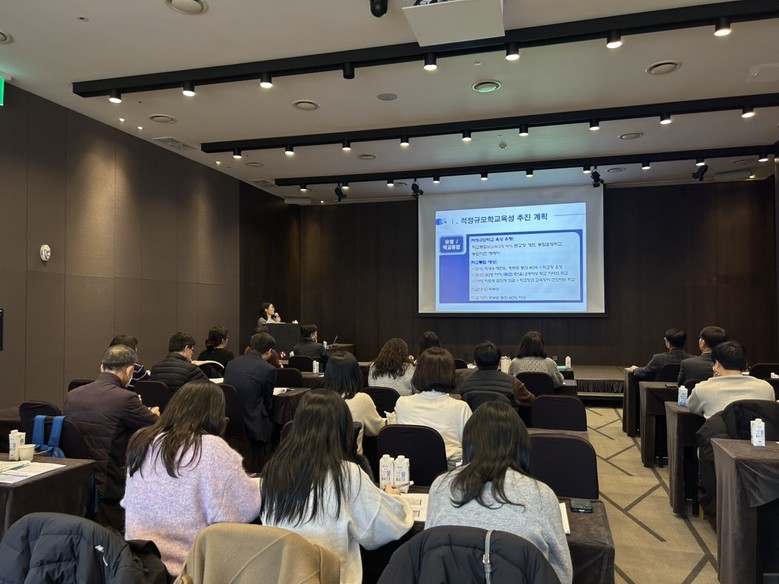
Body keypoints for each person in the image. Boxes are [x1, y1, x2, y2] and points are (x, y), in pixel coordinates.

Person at [261, 390, 413, 584]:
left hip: (283, 576)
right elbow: (381, 527)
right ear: (343, 429)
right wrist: (395, 498)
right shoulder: (346, 474)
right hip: (332, 577)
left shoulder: (273, 471)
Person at [122, 380, 261, 577]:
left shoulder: (142, 439)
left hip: (139, 562)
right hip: (189, 569)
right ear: (216, 415)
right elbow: (245, 508)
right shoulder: (211, 448)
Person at [426, 401, 573, 584]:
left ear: (469, 442)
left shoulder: (441, 486)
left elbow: (428, 553)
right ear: (521, 445)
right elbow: (561, 574)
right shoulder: (542, 494)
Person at [65, 345, 159, 531]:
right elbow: (158, 427)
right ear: (129, 371)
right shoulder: (126, 398)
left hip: (78, 478)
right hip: (109, 481)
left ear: (102, 367)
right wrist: (153, 413)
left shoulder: (73, 395)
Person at [394, 347, 472, 467]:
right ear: (450, 373)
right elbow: (471, 448)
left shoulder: (402, 404)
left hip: (410, 471)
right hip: (450, 474)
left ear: (419, 371)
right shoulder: (461, 408)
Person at [223, 332, 278, 467]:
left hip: (231, 420)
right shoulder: (269, 369)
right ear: (269, 351)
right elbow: (268, 403)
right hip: (254, 423)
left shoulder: (232, 363)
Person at [686, 341, 774, 419]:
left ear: (717, 364)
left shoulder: (702, 388)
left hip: (719, 433)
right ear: (745, 364)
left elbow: (691, 408)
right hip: (758, 432)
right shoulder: (766, 387)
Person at [321, 350, 385, 455]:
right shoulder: (362, 400)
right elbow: (377, 429)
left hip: (319, 463)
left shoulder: (315, 400)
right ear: (356, 374)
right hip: (351, 462)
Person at [458, 340, 534, 407]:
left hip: (475, 419)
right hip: (507, 419)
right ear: (499, 363)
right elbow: (533, 401)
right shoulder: (514, 384)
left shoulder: (465, 385)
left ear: (475, 363)